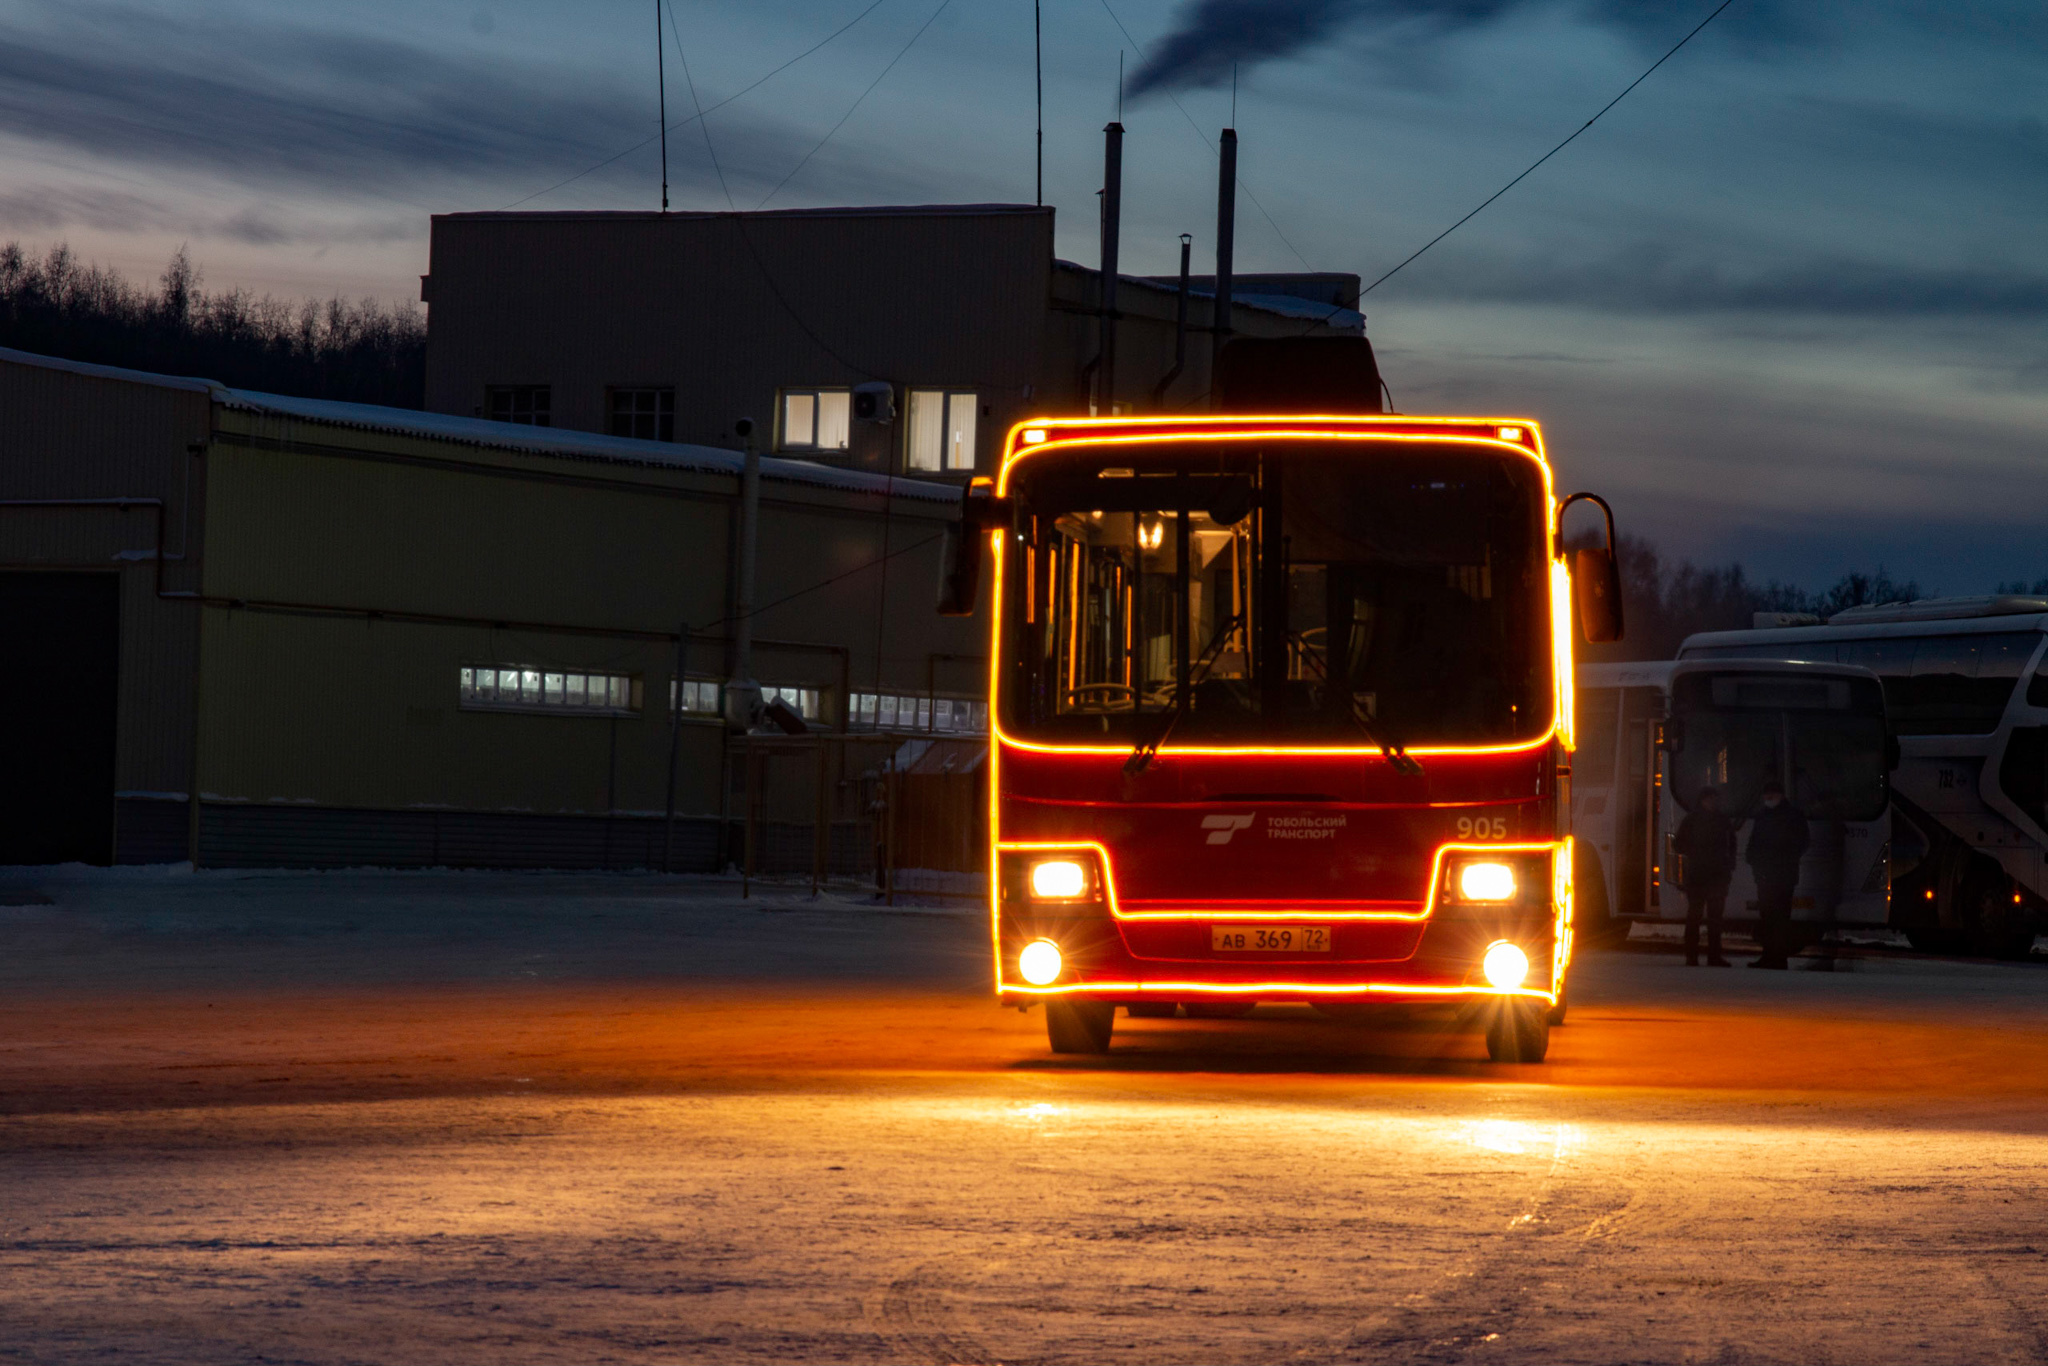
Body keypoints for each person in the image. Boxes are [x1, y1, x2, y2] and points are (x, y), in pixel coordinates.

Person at [1745, 779, 1809, 969]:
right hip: (1766, 876)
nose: (1767, 799)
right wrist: (1753, 858)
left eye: (1770, 795)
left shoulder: (1792, 816)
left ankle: (1778, 958)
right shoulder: (1764, 816)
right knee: (1768, 918)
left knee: (1779, 919)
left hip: (1782, 876)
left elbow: (1802, 842)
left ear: (1780, 796)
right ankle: (1769, 956)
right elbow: (1754, 843)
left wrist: (1782, 856)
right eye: (1766, 796)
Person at [1674, 786, 1736, 966]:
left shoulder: (1697, 820)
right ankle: (1696, 956)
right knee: (1698, 917)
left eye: (1714, 799)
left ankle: (1706, 956)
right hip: (1702, 876)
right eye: (1710, 799)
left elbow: (1732, 845)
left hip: (1707, 875)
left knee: (1710, 919)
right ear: (1703, 800)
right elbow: (1680, 844)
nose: (1713, 802)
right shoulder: (1716, 820)